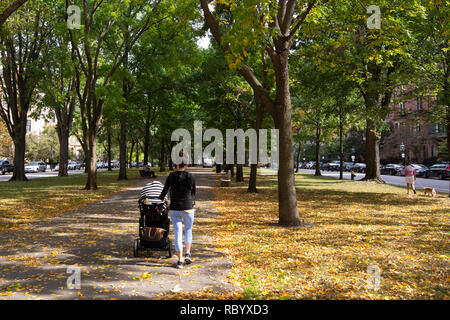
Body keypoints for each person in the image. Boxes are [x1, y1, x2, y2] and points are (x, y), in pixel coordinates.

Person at [159, 162, 196, 269]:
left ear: (176, 163)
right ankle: (188, 253)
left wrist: (160, 199)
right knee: (188, 230)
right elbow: (193, 191)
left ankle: (180, 260)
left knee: (178, 233)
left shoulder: (171, 176)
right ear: (186, 164)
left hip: (175, 208)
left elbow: (165, 190)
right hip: (188, 207)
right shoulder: (190, 176)